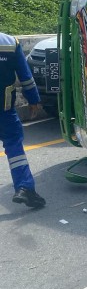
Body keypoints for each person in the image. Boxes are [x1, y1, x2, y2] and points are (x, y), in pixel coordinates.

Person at [0, 32, 46, 209]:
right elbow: (25, 76)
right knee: (14, 148)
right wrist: (33, 100)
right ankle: (25, 188)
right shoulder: (9, 43)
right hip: (4, 109)